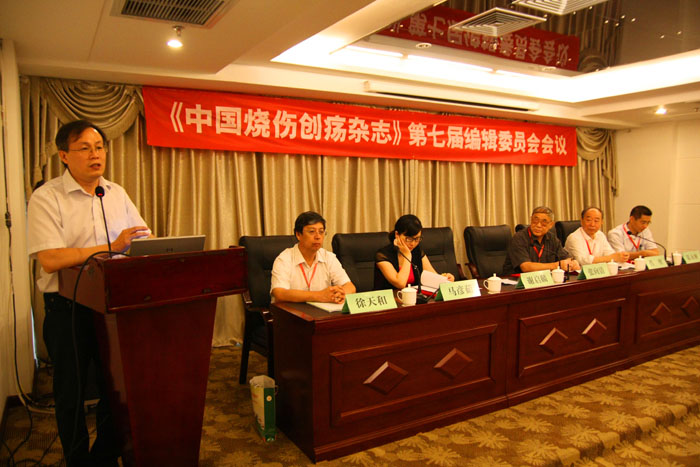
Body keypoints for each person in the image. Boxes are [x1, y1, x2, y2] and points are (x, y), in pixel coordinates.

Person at [27, 120, 152, 466]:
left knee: (116, 388)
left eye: (99, 147)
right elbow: (50, 259)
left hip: (112, 305)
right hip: (67, 308)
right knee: (71, 391)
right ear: (64, 156)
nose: (95, 154)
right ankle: (78, 460)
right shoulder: (47, 197)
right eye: (84, 148)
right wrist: (111, 246)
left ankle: (103, 457)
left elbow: (140, 238)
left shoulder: (115, 193)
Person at [270, 211, 356, 303]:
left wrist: (340, 294)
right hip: (291, 310)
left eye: (321, 232)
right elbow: (279, 293)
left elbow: (350, 287)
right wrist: (319, 296)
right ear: (298, 234)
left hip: (321, 310)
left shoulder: (328, 257)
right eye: (312, 232)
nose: (318, 236)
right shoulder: (284, 259)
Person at [374, 214, 455, 290]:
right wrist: (407, 255)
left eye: (417, 239)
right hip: (391, 298)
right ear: (397, 234)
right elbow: (400, 283)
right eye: (409, 238)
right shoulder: (383, 255)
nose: (413, 243)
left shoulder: (416, 250)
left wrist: (445, 278)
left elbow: (433, 276)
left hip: (413, 298)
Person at [502, 206, 580, 275]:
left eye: (544, 222)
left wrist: (571, 263)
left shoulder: (552, 238)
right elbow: (526, 267)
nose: (538, 225)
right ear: (531, 219)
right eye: (535, 221)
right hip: (518, 282)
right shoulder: (519, 238)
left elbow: (565, 257)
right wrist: (557, 265)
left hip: (545, 280)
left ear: (551, 225)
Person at [564, 206, 629, 265]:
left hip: (598, 271)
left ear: (602, 222)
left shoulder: (600, 235)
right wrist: (611, 258)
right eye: (589, 220)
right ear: (581, 221)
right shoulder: (574, 238)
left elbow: (609, 253)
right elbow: (581, 261)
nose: (592, 224)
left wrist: (620, 256)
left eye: (596, 221)